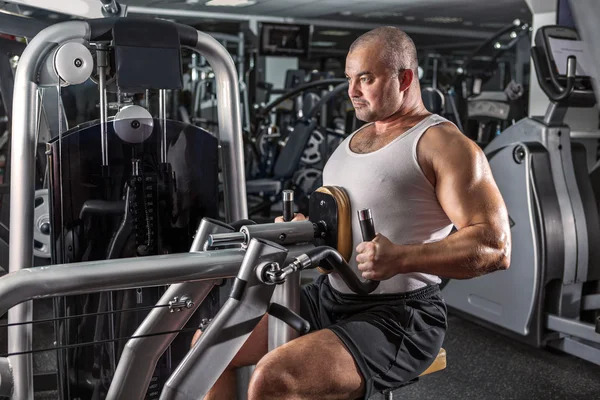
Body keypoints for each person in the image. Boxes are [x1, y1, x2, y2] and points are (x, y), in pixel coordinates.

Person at [192, 26, 511, 400]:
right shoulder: (351, 142)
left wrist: (403, 258)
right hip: (331, 296)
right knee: (206, 347)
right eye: (349, 79)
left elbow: (494, 247)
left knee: (275, 378)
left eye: (366, 78)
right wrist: (304, 231)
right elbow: (340, 224)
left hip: (400, 316)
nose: (352, 92)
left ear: (404, 78)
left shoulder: (443, 144)